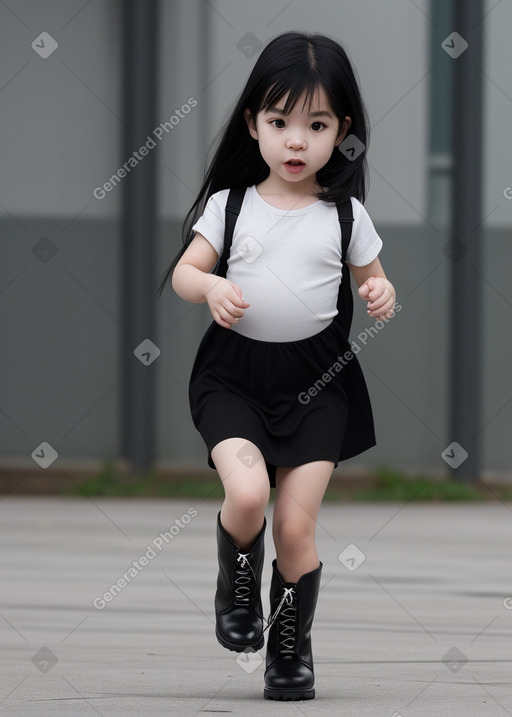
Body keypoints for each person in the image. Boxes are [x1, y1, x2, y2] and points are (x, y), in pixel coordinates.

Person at [157, 31, 396, 701]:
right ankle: (236, 584)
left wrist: (381, 293)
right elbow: (184, 273)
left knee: (295, 526)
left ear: (341, 132)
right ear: (252, 125)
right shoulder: (229, 207)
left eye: (316, 125)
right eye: (280, 122)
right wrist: (210, 287)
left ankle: (290, 646)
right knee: (248, 495)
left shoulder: (346, 216)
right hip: (232, 377)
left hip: (320, 386)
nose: (297, 141)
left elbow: (377, 281)